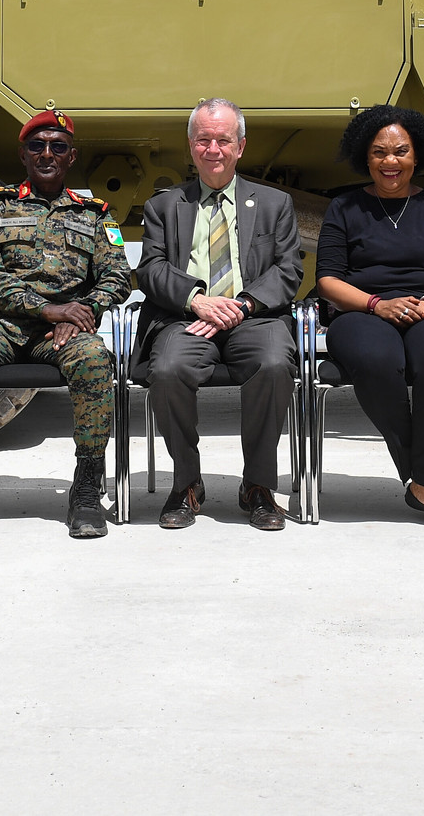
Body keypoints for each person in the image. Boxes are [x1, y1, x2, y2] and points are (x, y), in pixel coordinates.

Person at [0, 110, 133, 543]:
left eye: (58, 147)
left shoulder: (95, 214)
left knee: (95, 360)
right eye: (37, 146)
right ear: (23, 154)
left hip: (62, 332)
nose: (47, 154)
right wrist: (50, 310)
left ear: (71, 157)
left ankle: (86, 491)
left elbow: (118, 276)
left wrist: (82, 310)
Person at [135, 98, 302, 531]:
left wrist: (241, 304)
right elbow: (150, 268)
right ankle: (187, 483)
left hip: (255, 318)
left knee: (273, 364)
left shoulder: (274, 203)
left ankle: (258, 487)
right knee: (168, 369)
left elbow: (289, 271)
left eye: (223, 140)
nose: (214, 149)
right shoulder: (164, 206)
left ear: (240, 146)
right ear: (191, 146)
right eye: (204, 139)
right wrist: (196, 299)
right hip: (186, 318)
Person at [313, 104, 424, 527]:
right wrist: (375, 304)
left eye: (400, 151)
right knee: (376, 360)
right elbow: (328, 280)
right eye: (379, 152)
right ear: (364, 157)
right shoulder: (344, 208)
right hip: (360, 310)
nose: (390, 162)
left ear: (417, 155)